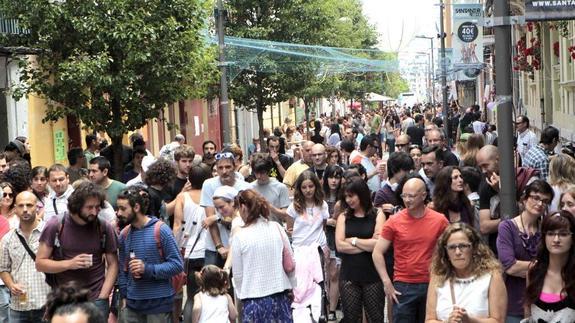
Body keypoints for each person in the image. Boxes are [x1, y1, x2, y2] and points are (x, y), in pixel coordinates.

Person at [373, 175, 449, 323]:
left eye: (412, 196)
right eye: (404, 195)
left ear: (424, 195)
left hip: (432, 281)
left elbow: (450, 248)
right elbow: (377, 252)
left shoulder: (440, 220)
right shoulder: (394, 221)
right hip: (403, 283)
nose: (407, 200)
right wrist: (386, 281)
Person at [36, 181, 119, 317]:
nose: (94, 212)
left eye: (98, 207)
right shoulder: (56, 225)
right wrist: (70, 264)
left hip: (96, 299)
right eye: (89, 207)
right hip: (65, 299)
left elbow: (113, 264)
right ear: (77, 206)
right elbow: (40, 263)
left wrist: (103, 295)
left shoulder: (104, 227)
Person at [116, 186, 184, 323]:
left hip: (158, 305)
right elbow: (122, 270)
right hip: (131, 305)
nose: (118, 213)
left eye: (123, 209)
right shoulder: (124, 235)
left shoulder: (161, 230)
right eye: (118, 208)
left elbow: (177, 265)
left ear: (136, 207)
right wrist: (123, 296)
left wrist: (147, 269)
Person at [231, 189, 294, 322]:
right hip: (280, 295)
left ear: (242, 207)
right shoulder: (276, 228)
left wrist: (242, 296)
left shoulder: (239, 236)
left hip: (253, 300)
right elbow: (290, 263)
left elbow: (238, 275)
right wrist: (293, 286)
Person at [424, 223, 507, 323]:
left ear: (474, 248)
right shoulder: (438, 276)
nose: (458, 252)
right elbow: (429, 320)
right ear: (445, 252)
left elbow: (498, 320)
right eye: (452, 247)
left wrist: (470, 320)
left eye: (463, 246)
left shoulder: (492, 276)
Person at [497, 180, 554, 323]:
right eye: (536, 197)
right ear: (524, 199)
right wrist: (543, 267)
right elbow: (510, 266)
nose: (540, 204)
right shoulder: (507, 227)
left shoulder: (547, 230)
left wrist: (524, 267)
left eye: (545, 201)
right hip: (514, 301)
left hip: (544, 301)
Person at [336, 178, 385, 322]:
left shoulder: (378, 214)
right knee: (352, 318)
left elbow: (379, 244)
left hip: (372, 274)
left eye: (351, 196)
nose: (348, 200)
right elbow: (339, 246)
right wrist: (368, 245)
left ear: (361, 194)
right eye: (346, 196)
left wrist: (353, 240)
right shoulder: (343, 217)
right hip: (349, 274)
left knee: (375, 317)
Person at [0, 191, 51, 323]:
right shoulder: (8, 238)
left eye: (29, 205)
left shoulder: (49, 233)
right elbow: (3, 268)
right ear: (15, 208)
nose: (25, 209)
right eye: (21, 206)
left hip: (46, 304)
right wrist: (11, 285)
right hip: (18, 306)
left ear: (36, 206)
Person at [174, 164, 212, 322]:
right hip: (209, 252)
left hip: (189, 253)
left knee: (191, 297)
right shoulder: (212, 195)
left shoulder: (182, 197)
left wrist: (175, 251)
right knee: (211, 295)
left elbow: (177, 225)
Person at [200, 151, 250, 267]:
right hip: (214, 247)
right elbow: (209, 219)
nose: (224, 171)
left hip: (240, 245)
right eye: (220, 168)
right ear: (216, 169)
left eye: (228, 167)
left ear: (235, 167)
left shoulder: (245, 187)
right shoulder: (209, 185)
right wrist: (219, 246)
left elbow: (245, 219)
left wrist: (216, 218)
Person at [524, 211, 575, 322]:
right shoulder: (534, 271)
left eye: (563, 234)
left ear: (572, 239)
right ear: (544, 237)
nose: (556, 240)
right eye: (551, 233)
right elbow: (528, 315)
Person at [285, 170, 329, 249]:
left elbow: (323, 226)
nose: (308, 190)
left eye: (311, 186)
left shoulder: (323, 205)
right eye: (304, 187)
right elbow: (290, 231)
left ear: (316, 186)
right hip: (300, 250)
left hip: (319, 249)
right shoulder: (293, 207)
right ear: (300, 189)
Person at [322, 164, 343, 321]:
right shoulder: (320, 196)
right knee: (325, 275)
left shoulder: (344, 197)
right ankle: (326, 306)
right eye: (331, 177)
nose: (334, 181)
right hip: (321, 239)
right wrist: (328, 221)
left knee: (335, 274)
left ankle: (332, 308)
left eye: (337, 177)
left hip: (338, 239)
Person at [249, 156, 290, 223]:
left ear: (268, 171)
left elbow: (286, 215)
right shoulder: (250, 188)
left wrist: (270, 207)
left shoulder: (280, 187)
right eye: (256, 172)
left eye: (262, 173)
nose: (258, 176)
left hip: (275, 227)